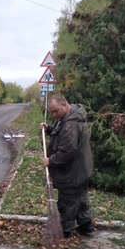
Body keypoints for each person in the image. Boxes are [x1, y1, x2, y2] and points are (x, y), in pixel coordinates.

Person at [39, 94, 95, 238]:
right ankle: (86, 225)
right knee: (81, 197)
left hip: (73, 172)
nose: (54, 114)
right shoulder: (68, 117)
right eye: (51, 112)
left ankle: (65, 230)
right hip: (82, 169)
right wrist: (50, 129)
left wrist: (50, 161)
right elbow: (61, 134)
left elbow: (67, 152)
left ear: (64, 105)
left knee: (68, 201)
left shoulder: (71, 125)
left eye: (55, 111)